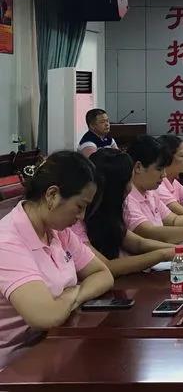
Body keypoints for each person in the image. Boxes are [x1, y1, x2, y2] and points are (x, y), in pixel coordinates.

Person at [0, 151, 113, 366]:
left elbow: (103, 274)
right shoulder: (7, 242)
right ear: (52, 195)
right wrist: (70, 296)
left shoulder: (58, 231)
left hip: (54, 343)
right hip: (14, 366)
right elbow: (45, 317)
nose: (81, 217)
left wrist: (73, 295)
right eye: (79, 206)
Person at [78, 149, 183, 277]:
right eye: (128, 181)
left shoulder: (107, 212)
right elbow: (108, 267)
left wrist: (178, 250)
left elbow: (138, 243)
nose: (130, 188)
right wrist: (164, 254)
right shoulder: (77, 222)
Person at [125, 136, 183, 244]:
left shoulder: (150, 192)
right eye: (159, 169)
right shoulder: (127, 198)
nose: (164, 175)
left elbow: (174, 220)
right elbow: (150, 233)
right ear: (138, 167)